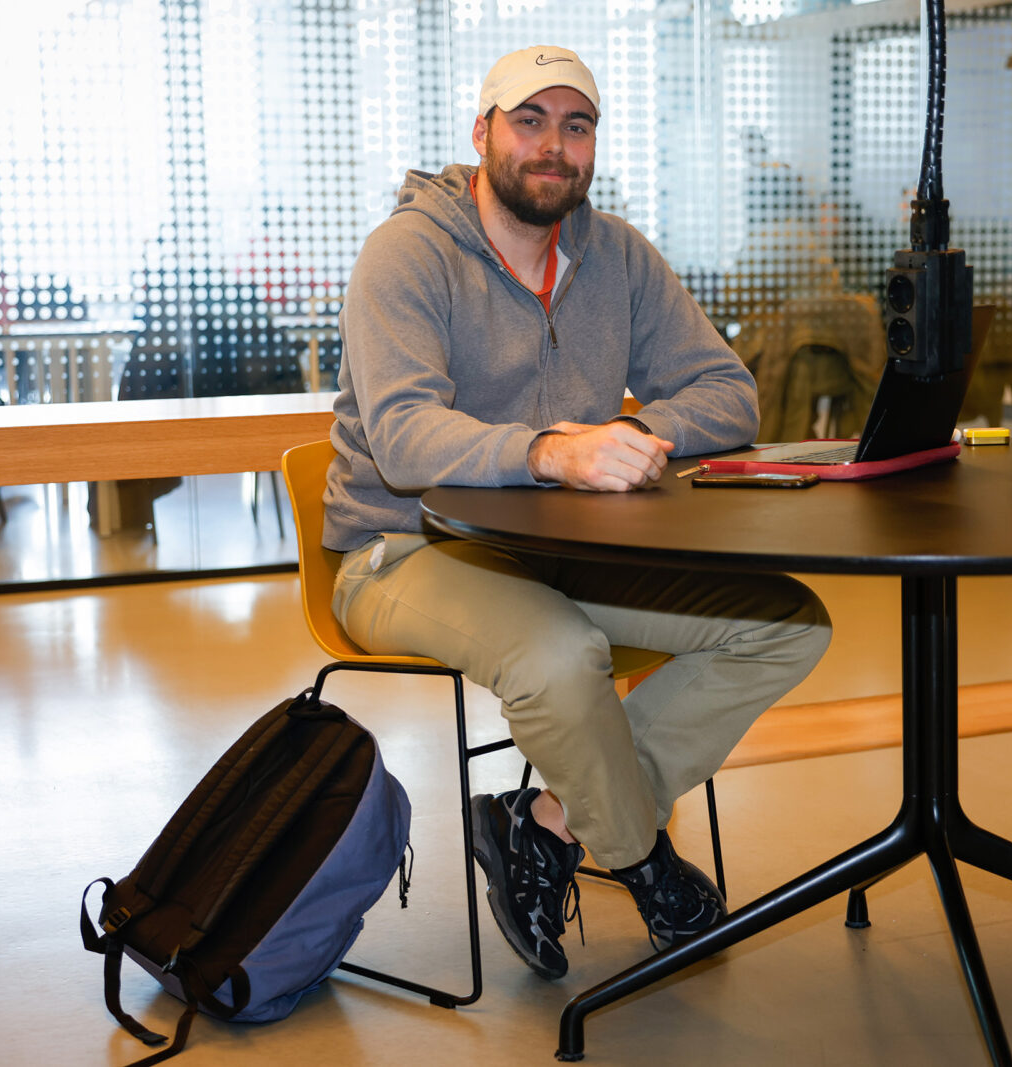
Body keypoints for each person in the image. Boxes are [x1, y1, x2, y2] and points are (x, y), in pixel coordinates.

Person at [323, 45, 831, 980]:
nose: (554, 146)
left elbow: (728, 394)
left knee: (784, 623)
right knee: (559, 652)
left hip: (562, 549)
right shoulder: (408, 253)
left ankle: (548, 821)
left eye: (577, 125)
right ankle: (643, 862)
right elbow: (401, 436)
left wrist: (634, 430)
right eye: (531, 121)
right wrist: (551, 452)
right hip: (402, 547)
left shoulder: (617, 255)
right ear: (482, 134)